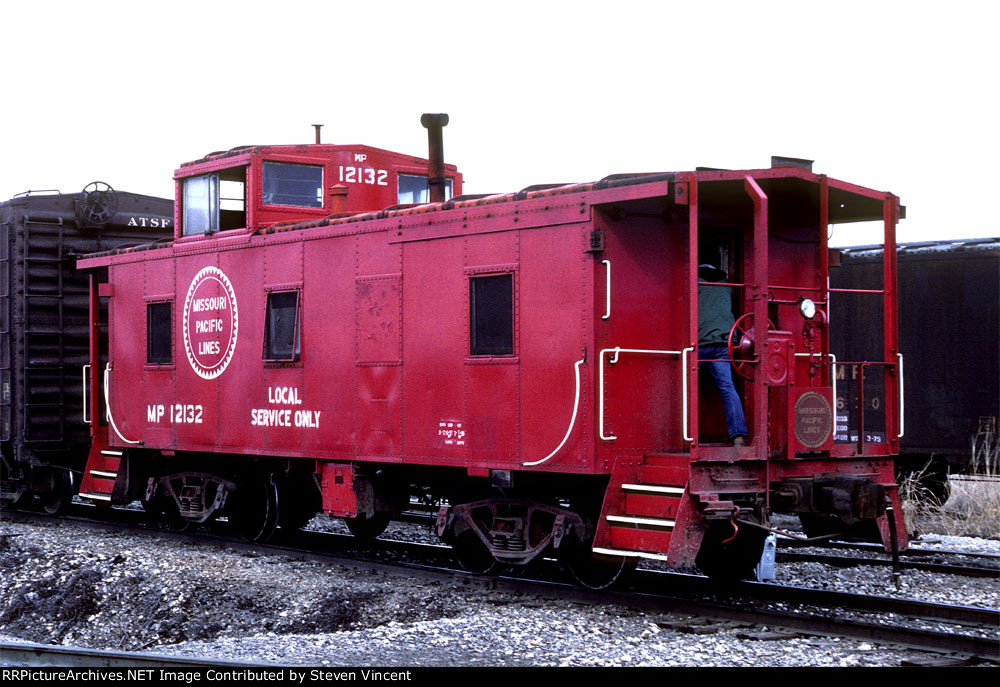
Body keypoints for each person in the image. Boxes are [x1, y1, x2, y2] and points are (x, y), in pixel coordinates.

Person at [698, 263, 749, 446]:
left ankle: (688, 436)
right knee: (728, 389)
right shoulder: (726, 285)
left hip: (700, 344)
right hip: (723, 344)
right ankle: (738, 437)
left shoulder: (694, 282)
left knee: (684, 388)